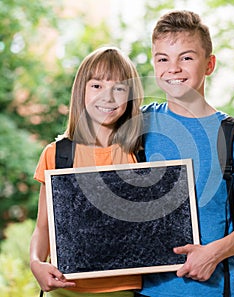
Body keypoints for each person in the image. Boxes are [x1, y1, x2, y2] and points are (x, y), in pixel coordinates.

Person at [137, 10, 234, 297]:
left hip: (216, 291)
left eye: (186, 58)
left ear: (209, 64)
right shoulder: (137, 125)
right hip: (145, 292)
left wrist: (213, 253)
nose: (173, 68)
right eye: (162, 59)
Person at [30, 46, 144, 297]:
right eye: (97, 86)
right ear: (81, 89)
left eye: (119, 88)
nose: (108, 97)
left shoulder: (141, 152)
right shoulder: (58, 155)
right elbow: (44, 226)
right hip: (66, 288)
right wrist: (36, 262)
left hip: (127, 289)